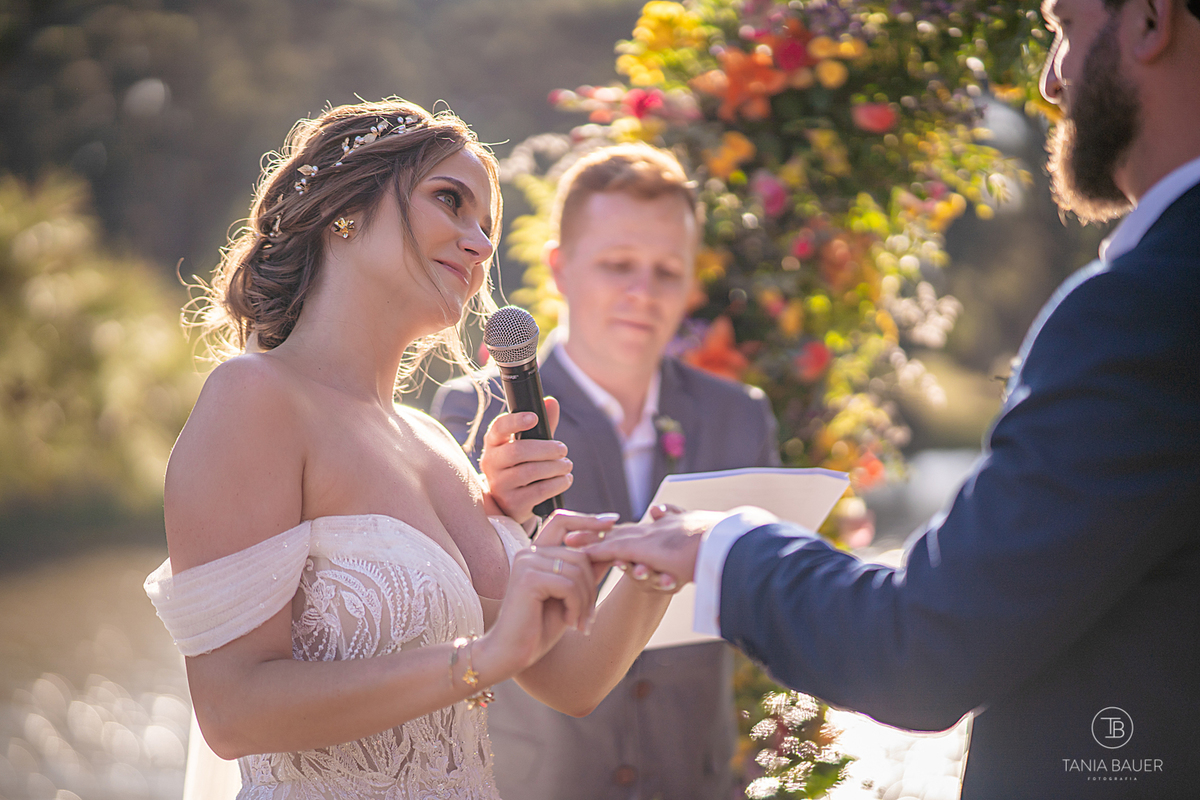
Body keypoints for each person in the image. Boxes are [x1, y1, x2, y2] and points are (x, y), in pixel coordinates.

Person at [578, 1, 1200, 797]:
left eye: (1065, 27)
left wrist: (721, 544)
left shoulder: (1146, 310)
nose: (1052, 78)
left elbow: (922, 645)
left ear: (1149, 20)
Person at [142, 99, 679, 800]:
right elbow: (231, 711)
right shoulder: (255, 398)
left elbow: (571, 681)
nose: (480, 245)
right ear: (345, 210)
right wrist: (478, 658)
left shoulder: (434, 444)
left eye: (487, 227)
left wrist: (657, 560)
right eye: (450, 201)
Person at [433, 144, 779, 799]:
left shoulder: (741, 417)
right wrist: (501, 511)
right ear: (560, 269)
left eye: (667, 271)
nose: (642, 294)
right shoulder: (474, 410)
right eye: (618, 265)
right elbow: (451, 615)